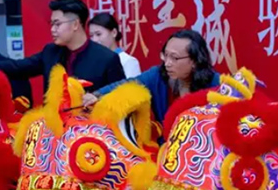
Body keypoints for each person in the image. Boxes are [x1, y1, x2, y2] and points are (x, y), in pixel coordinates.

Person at [0, 0, 125, 95]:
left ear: (75, 24)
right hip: (54, 131)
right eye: (51, 24)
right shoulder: (51, 52)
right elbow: (19, 67)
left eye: (57, 24)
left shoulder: (107, 58)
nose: (52, 30)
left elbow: (120, 95)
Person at [86, 29, 219, 126]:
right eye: (165, 55)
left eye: (175, 58)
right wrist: (97, 95)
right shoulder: (158, 75)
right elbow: (130, 83)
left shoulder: (216, 84)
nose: (167, 63)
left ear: (195, 61)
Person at [88, 13, 141, 78]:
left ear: (114, 33)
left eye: (98, 34)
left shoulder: (128, 61)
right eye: (91, 36)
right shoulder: (92, 62)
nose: (94, 40)